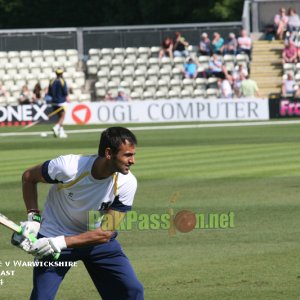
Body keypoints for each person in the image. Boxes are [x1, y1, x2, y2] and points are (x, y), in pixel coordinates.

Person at [11, 127, 144, 300]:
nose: (133, 161)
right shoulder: (69, 167)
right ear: (109, 153)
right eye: (127, 155)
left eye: (133, 155)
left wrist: (61, 242)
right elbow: (29, 177)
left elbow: (105, 233)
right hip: (52, 236)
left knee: (132, 291)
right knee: (41, 297)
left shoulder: (127, 182)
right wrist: (34, 218)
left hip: (95, 241)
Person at [48, 68, 69, 138]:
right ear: (62, 74)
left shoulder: (52, 81)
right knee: (62, 117)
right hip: (61, 102)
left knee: (59, 117)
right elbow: (65, 92)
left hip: (53, 102)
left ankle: (61, 133)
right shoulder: (62, 81)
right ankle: (56, 127)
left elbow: (49, 92)